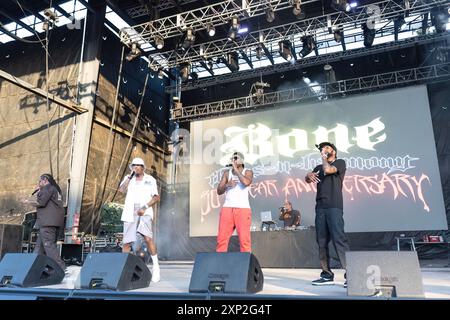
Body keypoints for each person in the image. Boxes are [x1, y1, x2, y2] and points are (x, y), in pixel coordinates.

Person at [305, 142, 350, 287]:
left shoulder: (340, 163)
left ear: (334, 152)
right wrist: (308, 175)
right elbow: (308, 179)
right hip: (320, 207)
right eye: (323, 148)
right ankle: (326, 274)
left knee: (339, 239)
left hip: (334, 206)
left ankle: (351, 274)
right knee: (322, 241)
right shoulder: (318, 168)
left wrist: (324, 157)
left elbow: (329, 170)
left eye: (327, 148)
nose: (324, 150)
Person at [119, 157, 161, 282]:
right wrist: (129, 177)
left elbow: (156, 197)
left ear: (143, 168)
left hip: (144, 211)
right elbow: (121, 190)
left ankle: (156, 266)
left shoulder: (150, 179)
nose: (135, 167)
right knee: (127, 242)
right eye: (133, 165)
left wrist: (145, 206)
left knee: (147, 238)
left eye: (138, 166)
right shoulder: (128, 178)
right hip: (130, 211)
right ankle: (123, 270)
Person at [22, 174, 66, 271]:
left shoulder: (47, 188)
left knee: (48, 245)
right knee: (39, 247)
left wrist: (27, 201)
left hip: (48, 222)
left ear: (45, 180)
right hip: (52, 222)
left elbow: (41, 202)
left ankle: (60, 267)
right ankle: (33, 268)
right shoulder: (55, 189)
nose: (38, 183)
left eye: (39, 181)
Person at [216, 152, 253, 252]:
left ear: (242, 161)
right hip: (227, 208)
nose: (233, 160)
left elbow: (246, 182)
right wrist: (227, 184)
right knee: (221, 239)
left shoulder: (247, 171)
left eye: (236, 158)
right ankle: (220, 263)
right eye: (232, 158)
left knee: (244, 240)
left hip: (243, 209)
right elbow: (219, 191)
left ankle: (246, 265)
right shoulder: (227, 173)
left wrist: (236, 170)